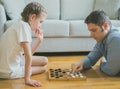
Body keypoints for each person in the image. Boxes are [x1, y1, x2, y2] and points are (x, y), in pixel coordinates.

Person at [0, 2, 48, 87]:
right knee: (43, 68)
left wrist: (39, 41)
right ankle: (24, 75)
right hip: (8, 70)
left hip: (12, 61)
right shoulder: (24, 27)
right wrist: (27, 79)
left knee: (45, 60)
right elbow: (28, 56)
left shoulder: (21, 24)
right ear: (32, 17)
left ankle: (22, 68)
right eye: (40, 22)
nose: (40, 25)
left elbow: (26, 55)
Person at [71, 10, 120, 76]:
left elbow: (111, 70)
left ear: (105, 26)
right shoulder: (103, 38)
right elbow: (91, 58)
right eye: (90, 31)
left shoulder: (115, 38)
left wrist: (103, 62)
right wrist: (81, 63)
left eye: (94, 30)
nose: (91, 35)